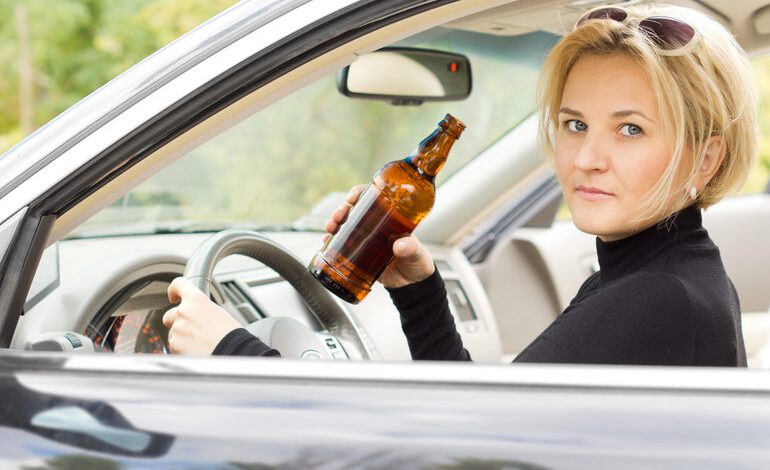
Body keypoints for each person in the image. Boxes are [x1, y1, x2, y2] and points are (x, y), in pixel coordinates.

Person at [163, 3, 756, 366]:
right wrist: (418, 289)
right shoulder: (666, 275)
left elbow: (440, 453)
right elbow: (481, 427)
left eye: (630, 129)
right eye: (575, 124)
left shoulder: (658, 298)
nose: (587, 157)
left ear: (704, 161)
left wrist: (232, 352)